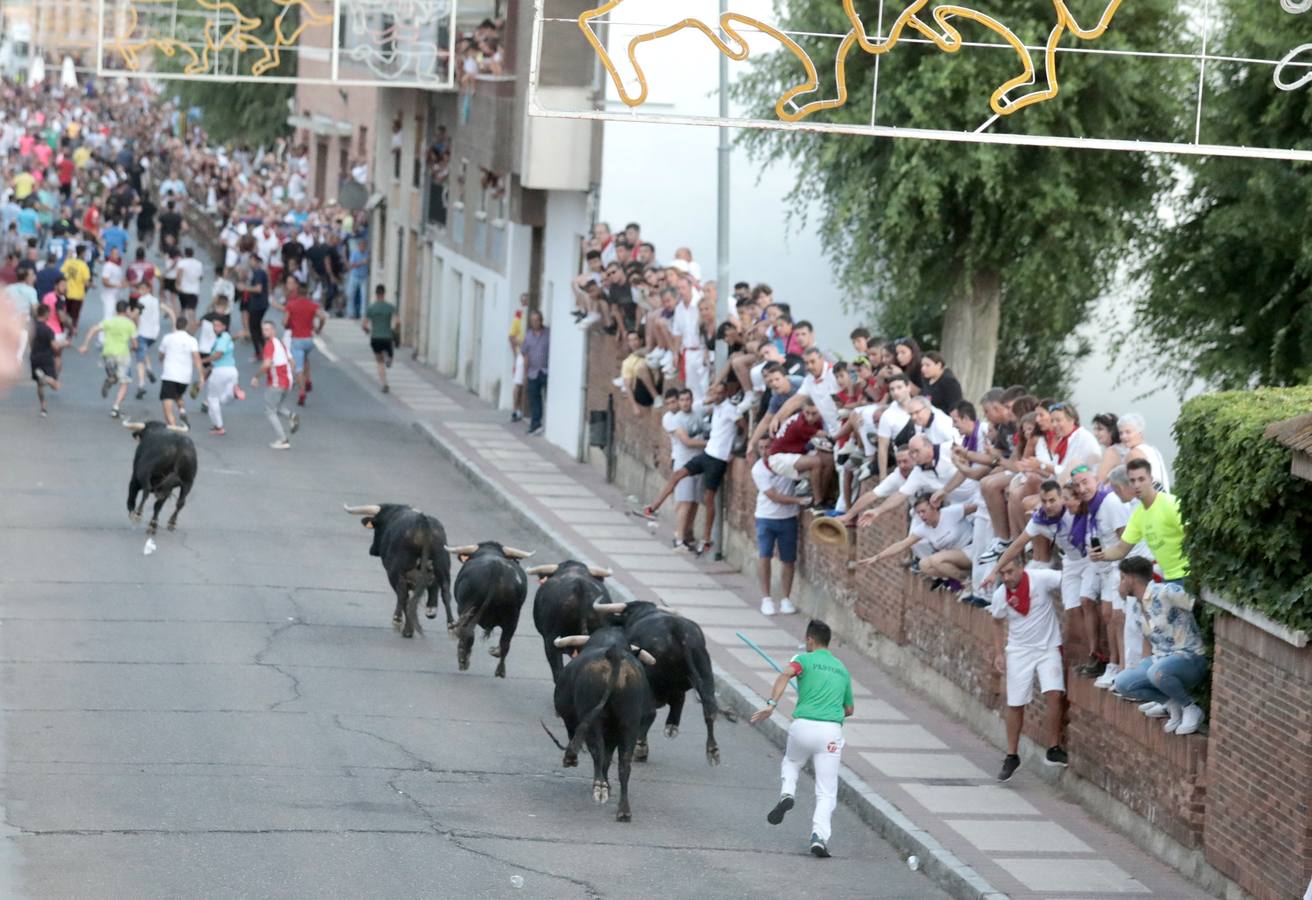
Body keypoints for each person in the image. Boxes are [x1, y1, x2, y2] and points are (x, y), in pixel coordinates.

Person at [751, 619, 853, 859]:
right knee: (826, 790)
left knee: (792, 762)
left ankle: (787, 793)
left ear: (809, 639)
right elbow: (848, 709)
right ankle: (819, 837)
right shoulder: (842, 669)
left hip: (803, 725)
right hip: (830, 732)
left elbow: (785, 675)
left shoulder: (802, 660)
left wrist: (771, 704)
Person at [641, 380, 753, 555]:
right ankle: (654, 506)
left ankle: (707, 539)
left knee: (708, 499)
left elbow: (743, 427)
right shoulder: (714, 407)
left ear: (724, 394)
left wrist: (739, 446)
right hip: (707, 454)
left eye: (718, 393)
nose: (714, 395)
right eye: (713, 392)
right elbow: (704, 401)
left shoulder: (731, 410)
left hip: (718, 459)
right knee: (678, 475)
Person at [989, 556, 1070, 782]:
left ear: (1021, 568)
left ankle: (1053, 747)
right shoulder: (1000, 596)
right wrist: (999, 652)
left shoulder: (1040, 579)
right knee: (1015, 704)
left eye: (1010, 572)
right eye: (1002, 574)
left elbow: (1068, 580)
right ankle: (1012, 754)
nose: (1007, 577)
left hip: (1048, 647)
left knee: (1054, 693)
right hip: (1019, 651)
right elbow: (996, 621)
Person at [1111, 557, 1208, 735]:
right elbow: (1149, 642)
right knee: (1123, 682)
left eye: (1122, 578)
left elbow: (1198, 603)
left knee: (1155, 672)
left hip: (1190, 657)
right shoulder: (1135, 607)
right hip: (1160, 661)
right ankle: (1172, 704)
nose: (1120, 585)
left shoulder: (1165, 592)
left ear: (1131, 578)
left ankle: (1190, 707)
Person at [1091, 458, 1189, 583]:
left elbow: (1193, 537)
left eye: (1141, 479)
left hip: (1187, 576)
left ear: (1151, 479)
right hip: (1168, 578)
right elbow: (1121, 549)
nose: (1137, 485)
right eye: (1132, 481)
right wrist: (1100, 555)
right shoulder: (1138, 514)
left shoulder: (1170, 504)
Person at [752, 436, 807, 616]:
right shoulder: (758, 469)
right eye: (761, 448)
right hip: (766, 516)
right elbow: (772, 496)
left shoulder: (785, 463)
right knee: (764, 556)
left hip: (788, 517)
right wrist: (798, 500)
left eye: (768, 447)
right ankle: (766, 598)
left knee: (788, 559)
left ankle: (786, 598)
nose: (765, 451)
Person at [661, 388, 706, 551]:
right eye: (681, 400)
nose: (684, 403)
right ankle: (679, 537)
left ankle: (688, 534)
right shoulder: (672, 420)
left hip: (698, 464)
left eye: (687, 399)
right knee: (684, 501)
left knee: (694, 502)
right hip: (682, 464)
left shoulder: (697, 413)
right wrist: (711, 445)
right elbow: (686, 441)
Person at [77, 299, 137, 418]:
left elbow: (93, 329)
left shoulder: (109, 321)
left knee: (113, 376)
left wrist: (85, 345)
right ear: (127, 310)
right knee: (124, 382)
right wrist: (132, 349)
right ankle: (115, 407)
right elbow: (135, 344)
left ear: (116, 309)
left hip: (107, 353)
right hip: (123, 354)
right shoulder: (130, 324)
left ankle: (111, 379)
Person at [250, 319, 297, 450]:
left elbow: (265, 365)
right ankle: (291, 416)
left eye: (267, 329)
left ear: (273, 330)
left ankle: (283, 439)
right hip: (287, 382)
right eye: (263, 329)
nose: (265, 332)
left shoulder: (270, 345)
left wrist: (255, 377)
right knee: (278, 406)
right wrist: (290, 375)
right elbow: (292, 362)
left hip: (276, 383)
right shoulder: (281, 343)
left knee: (270, 411)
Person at [280, 276, 326, 406]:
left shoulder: (291, 305)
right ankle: (308, 380)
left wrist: (288, 325)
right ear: (307, 294)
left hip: (297, 339)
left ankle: (302, 391)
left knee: (298, 367)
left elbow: (284, 322)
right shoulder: (312, 305)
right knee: (305, 358)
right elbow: (322, 317)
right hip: (309, 339)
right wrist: (318, 329)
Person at [157, 317, 205, 428]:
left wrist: (163, 357)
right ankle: (182, 410)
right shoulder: (192, 340)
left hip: (169, 376)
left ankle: (173, 430)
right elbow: (197, 359)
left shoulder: (168, 338)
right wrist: (201, 376)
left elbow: (161, 356)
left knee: (167, 408)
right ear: (186, 326)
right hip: (184, 378)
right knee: (178, 395)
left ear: (175, 325)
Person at [204, 316, 244, 435]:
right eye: (214, 325)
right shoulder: (226, 337)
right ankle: (234, 392)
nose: (215, 328)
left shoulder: (222, 339)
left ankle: (219, 426)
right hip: (232, 371)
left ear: (224, 327)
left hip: (220, 371)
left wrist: (202, 361)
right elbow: (230, 340)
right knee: (224, 399)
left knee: (212, 399)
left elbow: (218, 355)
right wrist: (237, 336)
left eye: (218, 325)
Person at [26, 301, 61, 416]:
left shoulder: (32, 327)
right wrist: (64, 344)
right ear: (46, 314)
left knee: (39, 384)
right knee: (55, 386)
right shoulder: (48, 330)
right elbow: (55, 346)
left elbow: (29, 342)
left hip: (34, 357)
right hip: (46, 358)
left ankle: (43, 407)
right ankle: (47, 379)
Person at [362, 284, 398, 393]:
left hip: (375, 338)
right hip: (387, 337)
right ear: (384, 293)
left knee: (379, 361)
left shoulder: (371, 308)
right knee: (389, 357)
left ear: (376, 294)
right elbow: (398, 321)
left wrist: (368, 331)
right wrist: (394, 331)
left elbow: (364, 325)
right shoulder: (390, 307)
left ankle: (384, 383)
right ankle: (389, 359)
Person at [522, 309, 549, 435]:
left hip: (546, 371)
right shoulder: (528, 335)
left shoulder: (548, 333)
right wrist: (525, 373)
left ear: (541, 320)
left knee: (548, 397)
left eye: (537, 320)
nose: (535, 323)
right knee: (534, 399)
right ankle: (535, 424)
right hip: (533, 372)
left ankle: (548, 423)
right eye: (532, 320)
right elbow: (525, 354)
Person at [508, 293, 527, 421]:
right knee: (518, 383)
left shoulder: (532, 315)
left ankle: (522, 410)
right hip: (522, 353)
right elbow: (511, 336)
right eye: (523, 301)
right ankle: (515, 409)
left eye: (526, 301)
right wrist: (515, 354)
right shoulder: (519, 315)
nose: (525, 303)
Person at [175, 246, 205, 324]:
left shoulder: (182, 262)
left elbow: (179, 274)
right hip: (194, 290)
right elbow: (201, 277)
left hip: (183, 289)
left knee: (182, 309)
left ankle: (180, 326)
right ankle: (192, 328)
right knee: (192, 311)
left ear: (185, 253)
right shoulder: (199, 263)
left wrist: (177, 284)